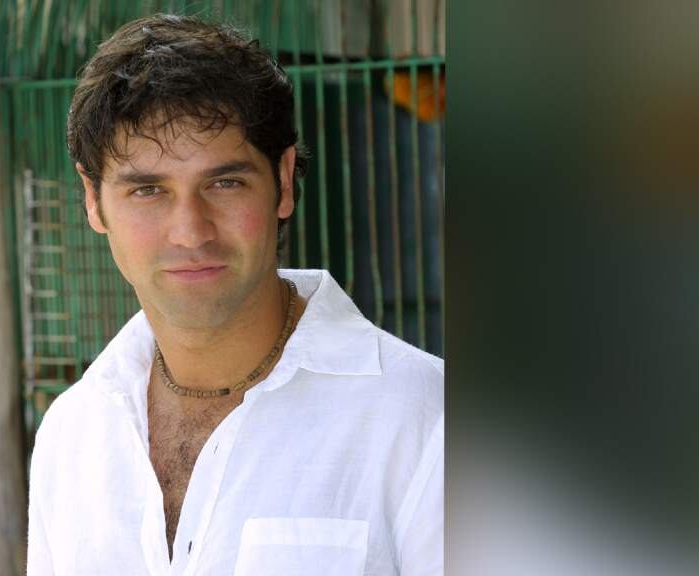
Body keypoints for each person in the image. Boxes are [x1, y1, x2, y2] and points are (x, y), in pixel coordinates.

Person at [27, 14, 443, 576]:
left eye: (224, 183)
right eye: (147, 190)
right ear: (93, 200)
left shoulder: (425, 421)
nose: (190, 231)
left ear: (284, 182)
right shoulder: (73, 433)